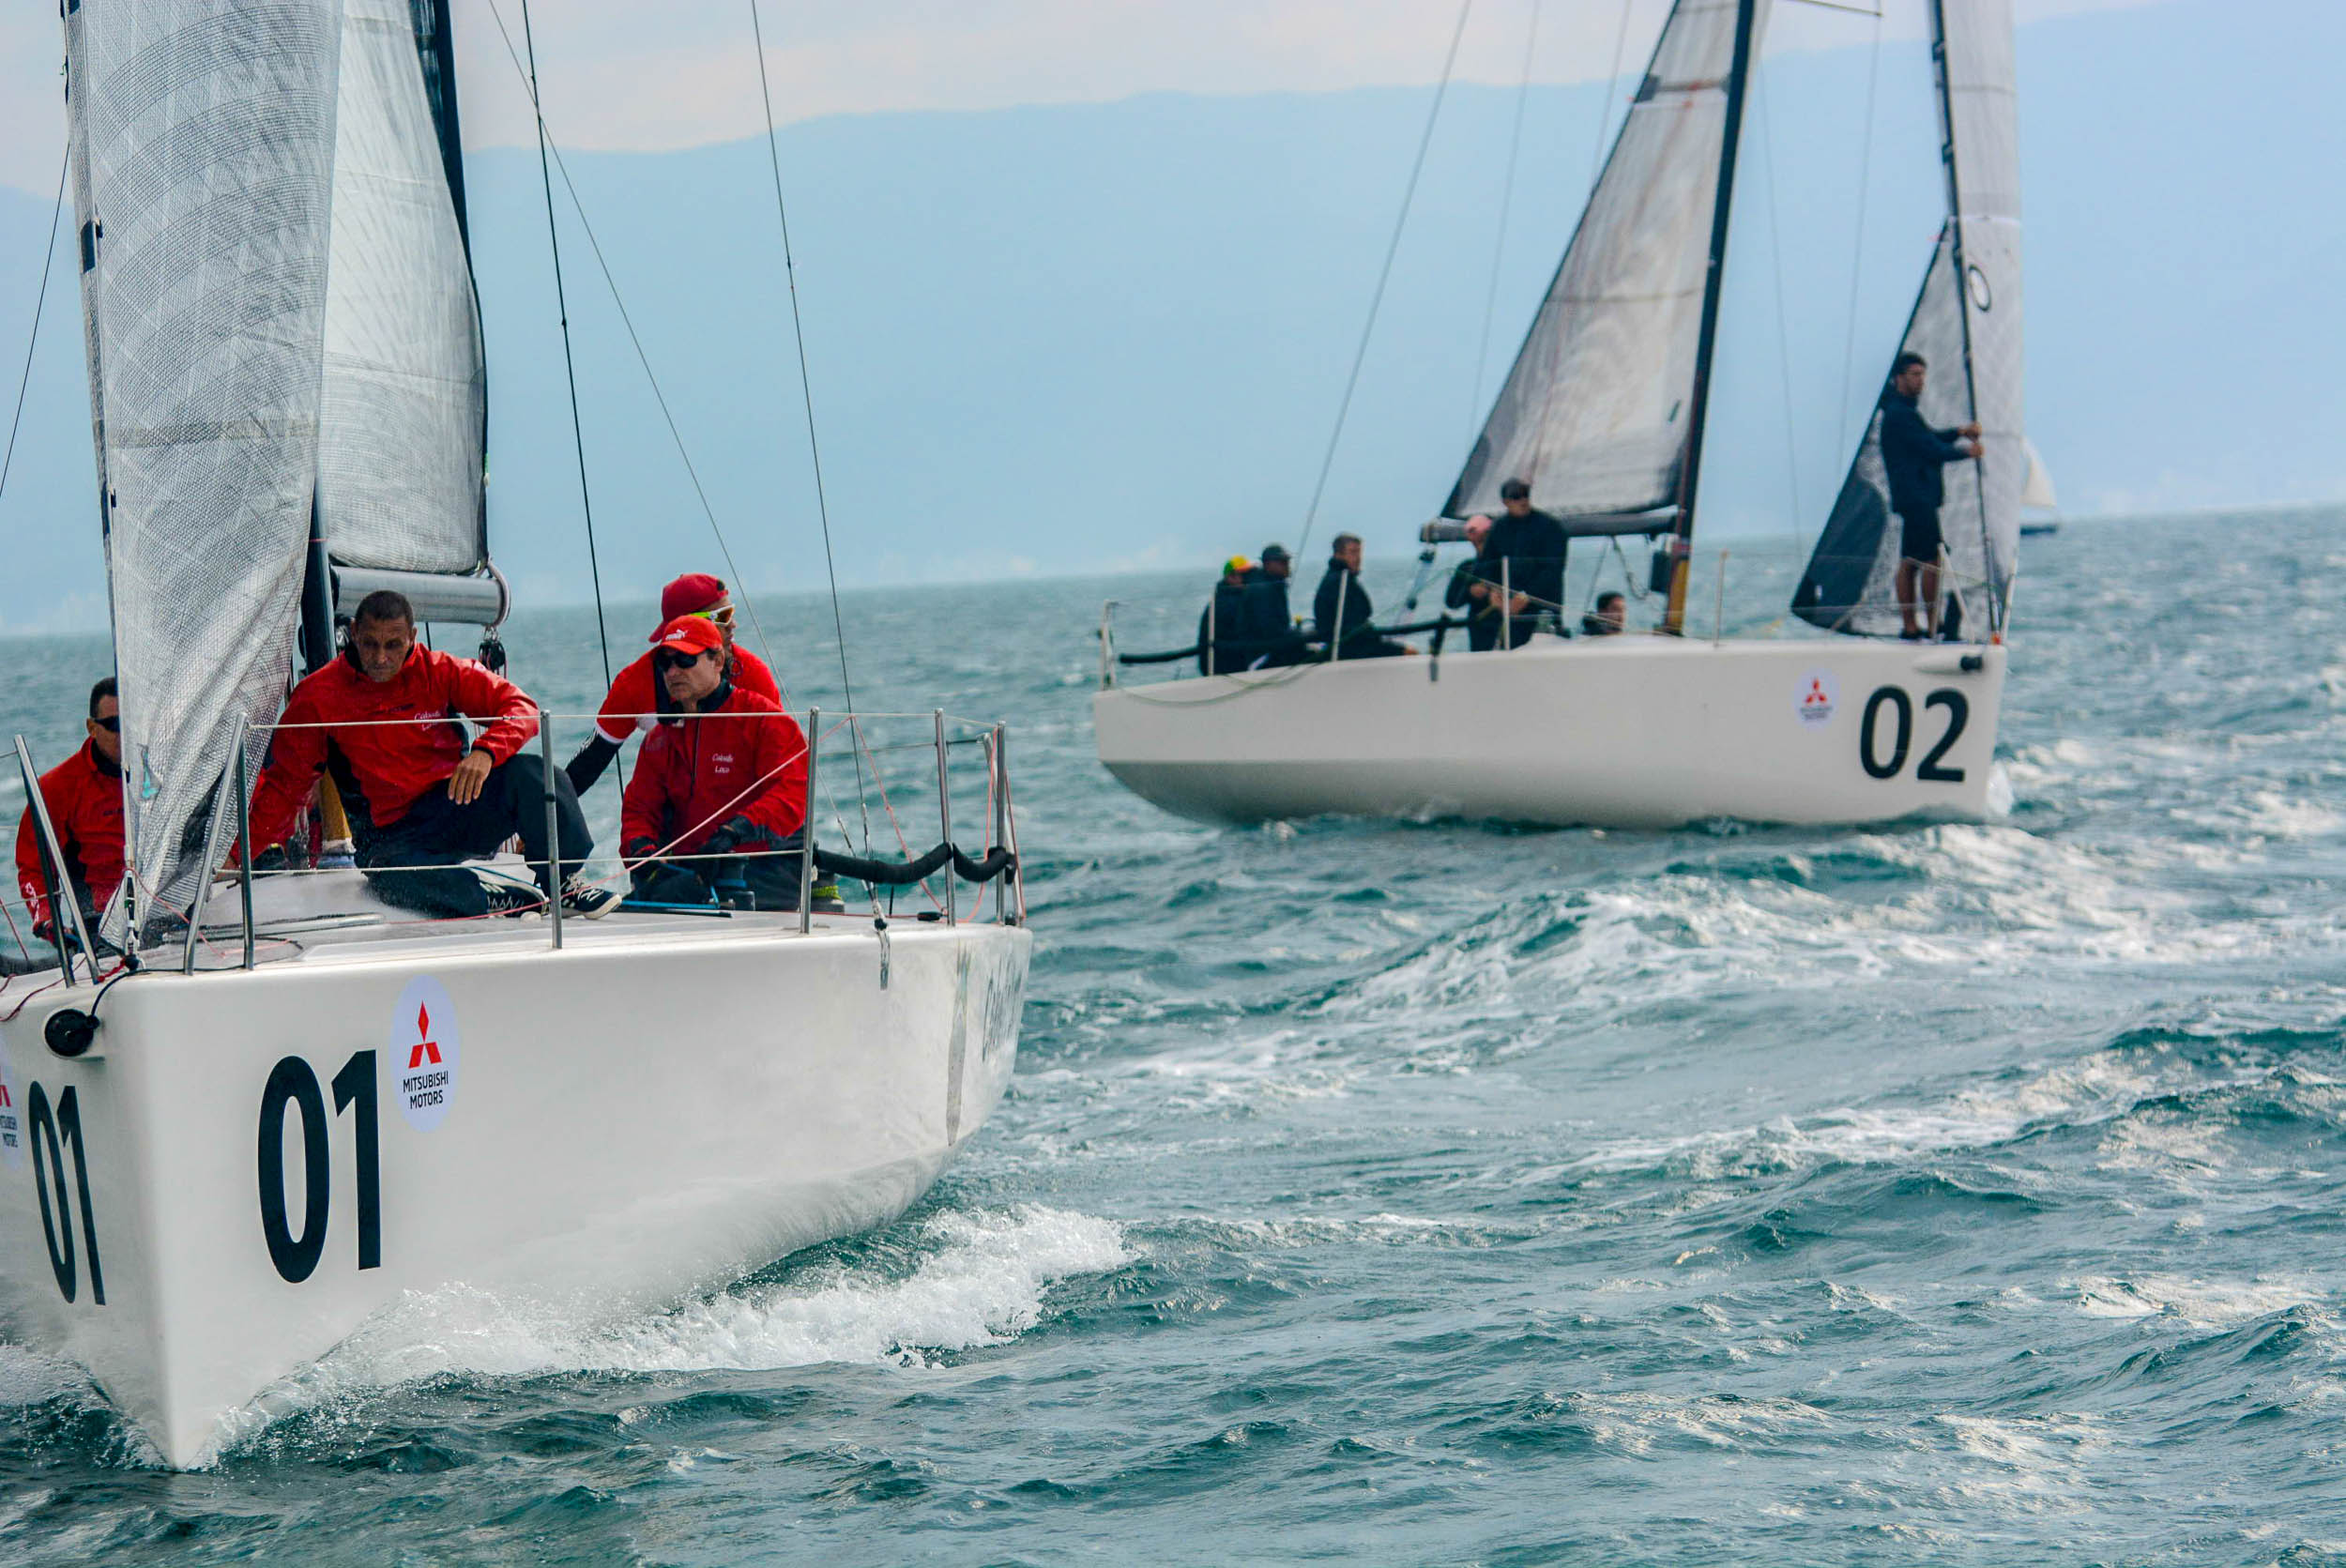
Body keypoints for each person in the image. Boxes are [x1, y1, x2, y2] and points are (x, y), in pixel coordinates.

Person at [246, 589, 614, 919]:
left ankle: (563, 882)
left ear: (412, 638)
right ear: (354, 633)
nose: (380, 658)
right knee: (394, 883)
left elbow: (522, 709)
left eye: (393, 645)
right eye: (370, 643)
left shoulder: (442, 671)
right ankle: (490, 899)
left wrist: (486, 752)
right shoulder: (316, 695)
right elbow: (286, 786)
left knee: (534, 773)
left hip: (453, 805)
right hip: (390, 836)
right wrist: (237, 855)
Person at [622, 617, 812, 910]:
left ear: (718, 661)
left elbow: (791, 796)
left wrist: (733, 832)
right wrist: (642, 850)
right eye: (665, 663)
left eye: (685, 659)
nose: (673, 672)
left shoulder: (763, 720)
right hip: (689, 877)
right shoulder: (660, 737)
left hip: (759, 873)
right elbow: (639, 809)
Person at [567, 572, 782, 795]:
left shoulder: (752, 673)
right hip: (672, 810)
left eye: (731, 613)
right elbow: (588, 763)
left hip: (742, 811)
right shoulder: (635, 682)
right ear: (684, 626)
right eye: (722, 616)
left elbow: (782, 762)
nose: (733, 625)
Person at [1879, 351, 1983, 640]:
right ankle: (1930, 623)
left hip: (1915, 497)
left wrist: (1959, 432)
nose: (1921, 381)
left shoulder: (1905, 413)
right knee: (1929, 560)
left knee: (1911, 560)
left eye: (1923, 374)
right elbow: (1930, 449)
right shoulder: (1900, 415)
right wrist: (1967, 452)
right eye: (1914, 375)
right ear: (1899, 378)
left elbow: (1932, 437)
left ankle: (1913, 626)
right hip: (1917, 498)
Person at [13, 677, 125, 945]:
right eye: (114, 726)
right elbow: (33, 866)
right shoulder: (57, 787)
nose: (125, 734)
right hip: (102, 924)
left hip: (175, 909)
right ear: (92, 728)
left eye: (131, 723)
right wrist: (47, 920)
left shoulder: (166, 772)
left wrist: (233, 857)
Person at [1447, 480, 1568, 649]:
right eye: (1516, 496)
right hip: (1506, 613)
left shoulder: (1551, 527)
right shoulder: (1499, 528)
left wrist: (1528, 596)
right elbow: (1489, 564)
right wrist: (1493, 591)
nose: (1523, 500)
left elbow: (1553, 570)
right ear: (1505, 501)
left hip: (1540, 609)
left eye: (1525, 495)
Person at [1313, 534, 1410, 658]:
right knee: (1409, 652)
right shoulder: (1340, 582)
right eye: (1353, 552)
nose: (1358, 558)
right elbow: (1349, 626)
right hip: (1348, 649)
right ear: (1338, 555)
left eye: (1359, 553)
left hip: (1353, 643)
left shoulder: (1343, 578)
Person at [1238, 544, 1309, 668]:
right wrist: (1298, 636)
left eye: (1287, 562)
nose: (1287, 566)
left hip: (1271, 650)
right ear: (1268, 564)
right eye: (1282, 562)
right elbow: (1271, 631)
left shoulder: (1273, 586)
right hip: (1262, 656)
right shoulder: (1262, 590)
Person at [1196, 556, 1251, 675]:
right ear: (1230, 577)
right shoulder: (1230, 603)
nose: (1248, 579)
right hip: (1229, 669)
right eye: (1244, 575)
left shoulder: (1219, 599)